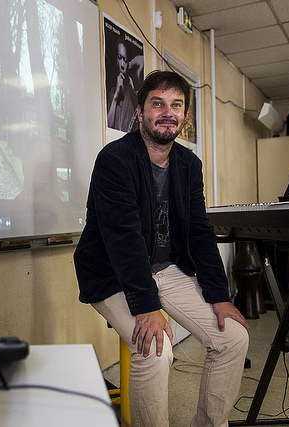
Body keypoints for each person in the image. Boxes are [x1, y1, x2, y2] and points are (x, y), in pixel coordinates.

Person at [74, 70, 249, 427]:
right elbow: (123, 239)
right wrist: (147, 306)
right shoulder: (116, 160)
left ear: (184, 116)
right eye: (158, 103)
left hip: (167, 270)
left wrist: (220, 294)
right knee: (155, 351)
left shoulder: (189, 165)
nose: (167, 112)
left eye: (176, 105)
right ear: (139, 112)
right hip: (113, 274)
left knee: (233, 338)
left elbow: (200, 232)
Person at [107, 40, 138, 132]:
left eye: (125, 60)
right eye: (120, 58)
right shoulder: (112, 92)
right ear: (116, 60)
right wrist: (115, 97)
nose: (122, 65)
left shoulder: (132, 93)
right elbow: (108, 124)